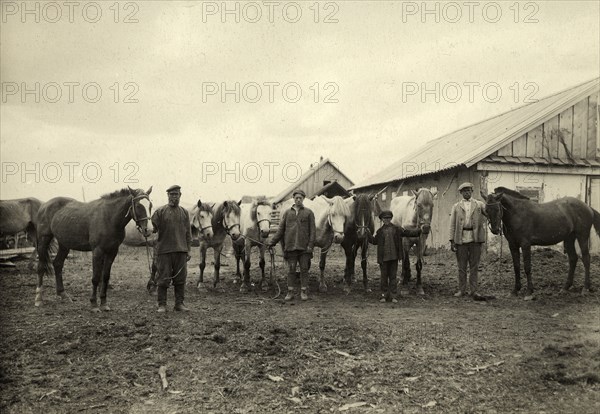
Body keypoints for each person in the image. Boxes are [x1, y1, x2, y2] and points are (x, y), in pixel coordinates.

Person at [267, 189, 316, 301]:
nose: (298, 200)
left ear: (303, 199)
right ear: (293, 199)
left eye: (300, 198)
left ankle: (303, 291)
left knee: (304, 269)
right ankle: (290, 292)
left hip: (304, 247)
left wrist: (310, 246)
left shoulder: (309, 212)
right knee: (291, 269)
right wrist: (272, 242)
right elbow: (280, 230)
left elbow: (313, 231)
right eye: (296, 198)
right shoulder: (287, 213)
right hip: (291, 246)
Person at [151, 185, 192, 312]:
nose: (174, 197)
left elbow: (188, 234)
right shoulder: (160, 212)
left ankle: (179, 304)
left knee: (180, 279)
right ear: (168, 196)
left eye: (176, 194)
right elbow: (152, 228)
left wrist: (188, 250)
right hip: (164, 250)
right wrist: (147, 230)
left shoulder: (184, 212)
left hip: (181, 250)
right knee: (163, 278)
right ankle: (162, 304)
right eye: (171, 194)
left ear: (180, 196)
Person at [449, 182, 488, 299]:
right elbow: (452, 225)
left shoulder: (479, 205)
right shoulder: (456, 207)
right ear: (461, 193)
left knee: (474, 266)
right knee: (461, 266)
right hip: (461, 239)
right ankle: (461, 290)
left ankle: (474, 290)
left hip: (475, 238)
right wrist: (452, 240)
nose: (467, 192)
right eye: (464, 191)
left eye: (469, 190)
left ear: (472, 192)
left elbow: (489, 214)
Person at [370, 210, 404, 303]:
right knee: (384, 277)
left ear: (391, 219)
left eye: (388, 218)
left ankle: (393, 296)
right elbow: (374, 241)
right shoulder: (380, 231)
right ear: (382, 220)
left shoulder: (397, 229)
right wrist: (367, 235)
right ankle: (383, 295)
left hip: (394, 257)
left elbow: (407, 233)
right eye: (385, 218)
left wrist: (418, 231)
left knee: (393, 277)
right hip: (383, 259)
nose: (387, 220)